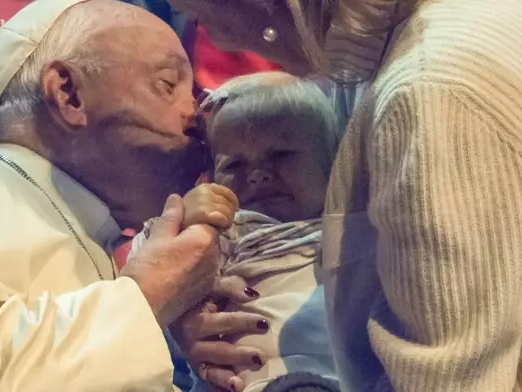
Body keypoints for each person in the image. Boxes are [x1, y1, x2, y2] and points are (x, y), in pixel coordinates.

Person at [0, 0, 262, 390]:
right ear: (68, 93)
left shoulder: (98, 245)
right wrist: (149, 297)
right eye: (168, 83)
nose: (199, 111)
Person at [163, 0, 522, 391]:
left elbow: (452, 380)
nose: (212, 37)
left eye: (199, 11)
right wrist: (182, 303)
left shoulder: (425, 92)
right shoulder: (378, 63)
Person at [133, 71, 342, 392]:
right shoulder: (223, 230)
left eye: (281, 155)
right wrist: (184, 218)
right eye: (234, 165)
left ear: (331, 161)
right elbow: (142, 272)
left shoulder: (351, 222)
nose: (258, 174)